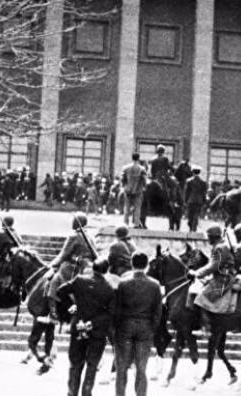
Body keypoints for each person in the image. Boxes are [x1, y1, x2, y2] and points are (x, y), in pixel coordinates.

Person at [57, 259, 116, 396]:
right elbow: (110, 313)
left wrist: (70, 306)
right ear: (106, 270)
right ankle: (86, 393)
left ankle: (72, 393)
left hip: (78, 326)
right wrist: (93, 323)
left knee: (75, 365)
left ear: (93, 267)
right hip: (97, 332)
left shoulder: (79, 280)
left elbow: (60, 291)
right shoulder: (109, 288)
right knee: (92, 366)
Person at [114, 252, 162, 396]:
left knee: (121, 369)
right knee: (142, 368)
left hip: (125, 327)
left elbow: (117, 309)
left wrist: (116, 329)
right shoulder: (154, 285)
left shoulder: (123, 284)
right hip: (145, 327)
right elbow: (158, 311)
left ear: (132, 264)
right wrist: (152, 328)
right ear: (147, 265)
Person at [47, 213, 97, 321]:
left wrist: (52, 265)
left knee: (54, 279)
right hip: (89, 266)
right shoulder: (90, 236)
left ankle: (53, 311)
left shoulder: (74, 236)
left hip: (75, 266)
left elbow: (63, 255)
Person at [189, 225, 235, 314]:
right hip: (220, 277)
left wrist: (196, 273)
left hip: (222, 280)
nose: (208, 239)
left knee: (201, 298)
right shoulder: (220, 246)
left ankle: (207, 325)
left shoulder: (220, 248)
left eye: (209, 236)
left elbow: (213, 266)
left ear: (213, 236)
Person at [121, 152, 147, 228]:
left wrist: (124, 186)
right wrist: (144, 187)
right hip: (138, 191)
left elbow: (122, 179)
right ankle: (136, 224)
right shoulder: (142, 169)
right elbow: (144, 180)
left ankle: (125, 223)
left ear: (132, 158)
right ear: (138, 158)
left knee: (126, 207)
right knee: (137, 208)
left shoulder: (125, 168)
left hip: (127, 190)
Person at [184, 166, 208, 232]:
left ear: (192, 172)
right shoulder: (203, 182)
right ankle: (194, 228)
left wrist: (185, 201)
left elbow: (186, 192)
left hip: (191, 200)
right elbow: (204, 193)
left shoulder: (189, 181)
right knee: (196, 215)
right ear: (199, 172)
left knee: (190, 215)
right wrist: (204, 201)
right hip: (199, 201)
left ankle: (191, 227)